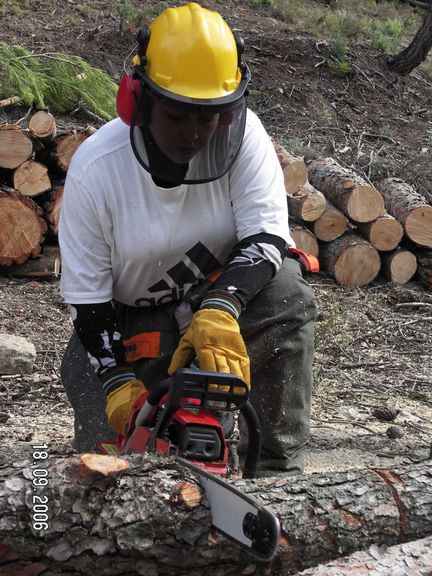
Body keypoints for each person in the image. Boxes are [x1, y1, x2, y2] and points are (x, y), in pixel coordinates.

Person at [58, 2, 317, 477]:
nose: (194, 132)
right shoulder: (97, 169)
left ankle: (278, 477)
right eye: (178, 115)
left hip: (213, 302)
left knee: (287, 294)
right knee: (107, 468)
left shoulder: (243, 138)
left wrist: (221, 307)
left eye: (208, 116)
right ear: (140, 100)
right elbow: (87, 300)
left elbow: (266, 238)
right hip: (127, 324)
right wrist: (116, 380)